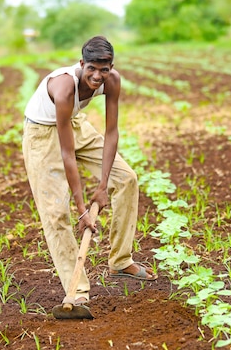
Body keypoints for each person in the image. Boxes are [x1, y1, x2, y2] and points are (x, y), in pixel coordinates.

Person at [22, 36, 157, 306]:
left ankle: (120, 261)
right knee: (57, 214)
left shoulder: (113, 81)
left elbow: (111, 132)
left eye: (104, 69)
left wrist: (103, 185)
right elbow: (66, 153)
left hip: (76, 124)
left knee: (127, 178)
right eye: (92, 68)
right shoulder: (64, 88)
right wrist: (82, 208)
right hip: (41, 134)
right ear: (82, 64)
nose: (97, 76)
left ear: (111, 67)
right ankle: (77, 290)